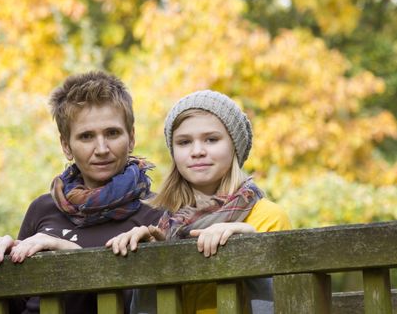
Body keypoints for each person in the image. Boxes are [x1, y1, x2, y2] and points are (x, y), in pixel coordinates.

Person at [0, 71, 163, 313]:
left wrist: (71, 254)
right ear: (66, 146)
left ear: (131, 138)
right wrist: (0, 259)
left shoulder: (154, 214)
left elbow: (146, 305)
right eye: (86, 137)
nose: (102, 148)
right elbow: (14, 304)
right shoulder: (42, 208)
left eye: (112, 133)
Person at [106, 90, 291, 314]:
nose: (197, 151)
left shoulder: (268, 217)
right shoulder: (165, 223)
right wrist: (148, 258)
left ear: (234, 146)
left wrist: (251, 248)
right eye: (184, 142)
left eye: (211, 139)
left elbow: (280, 306)